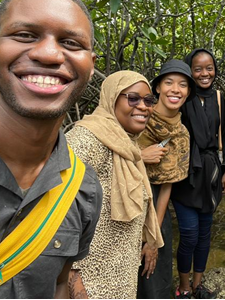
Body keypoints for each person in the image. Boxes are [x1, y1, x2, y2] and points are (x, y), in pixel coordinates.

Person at [0, 0, 102, 298]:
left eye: (71, 43)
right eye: (25, 35)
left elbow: (59, 283)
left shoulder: (83, 187)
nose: (48, 54)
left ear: (90, 66)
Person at [65, 71, 164, 298]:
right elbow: (56, 211)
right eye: (133, 98)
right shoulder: (86, 139)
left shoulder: (127, 143)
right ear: (112, 98)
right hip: (88, 280)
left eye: (149, 100)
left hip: (119, 274)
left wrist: (150, 242)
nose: (143, 106)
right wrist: (72, 278)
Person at [171, 48, 225, 299]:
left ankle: (197, 285)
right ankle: (183, 286)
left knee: (205, 233)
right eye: (198, 69)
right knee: (189, 233)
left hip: (211, 173)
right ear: (190, 71)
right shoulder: (182, 97)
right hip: (185, 172)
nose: (204, 73)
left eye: (209, 68)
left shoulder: (219, 96)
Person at [137, 59, 196, 299]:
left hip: (154, 209)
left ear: (188, 92)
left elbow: (166, 188)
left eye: (182, 85)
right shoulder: (138, 114)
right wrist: (139, 156)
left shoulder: (182, 134)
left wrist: (153, 236)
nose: (175, 89)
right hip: (121, 204)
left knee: (153, 277)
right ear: (158, 87)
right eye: (169, 82)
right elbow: (106, 158)